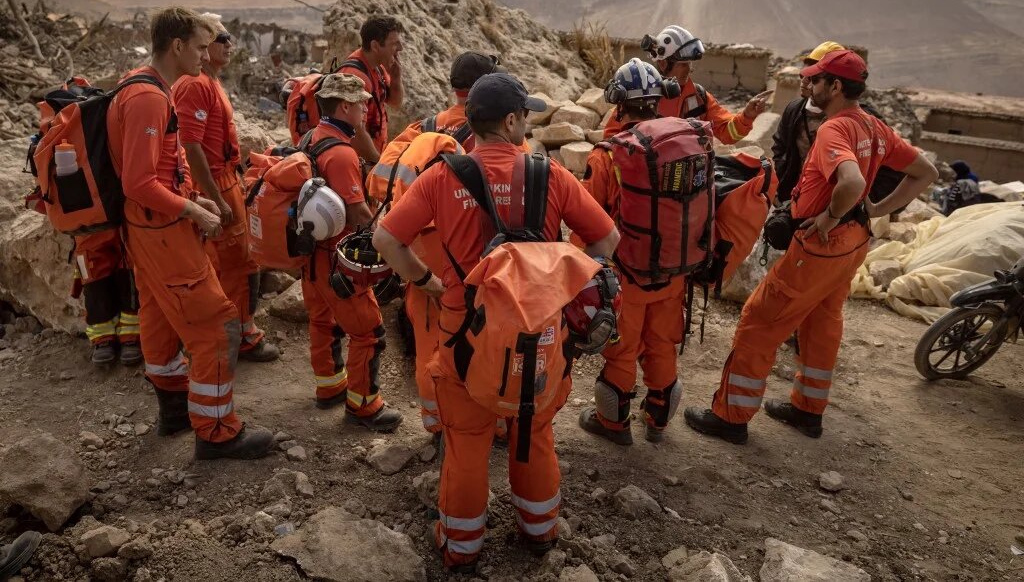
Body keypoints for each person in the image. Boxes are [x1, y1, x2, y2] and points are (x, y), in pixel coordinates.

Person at [373, 73, 619, 573]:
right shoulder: (552, 176)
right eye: (524, 116)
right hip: (541, 337)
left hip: (466, 338)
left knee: (465, 442)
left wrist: (424, 281)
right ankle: (540, 530)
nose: (526, 123)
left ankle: (461, 548)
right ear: (510, 121)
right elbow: (606, 242)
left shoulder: (442, 178)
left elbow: (385, 239)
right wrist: (558, 274)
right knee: (533, 429)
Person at [683, 50, 938, 443]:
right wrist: (876, 209)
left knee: (759, 321)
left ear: (835, 86)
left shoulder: (833, 130)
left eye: (817, 80)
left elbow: (850, 182)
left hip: (821, 245)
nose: (809, 85)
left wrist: (832, 215)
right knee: (822, 320)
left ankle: (730, 417)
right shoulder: (873, 125)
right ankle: (808, 410)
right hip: (854, 243)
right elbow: (925, 171)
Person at [108, 7, 274, 460]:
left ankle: (175, 411)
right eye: (201, 46)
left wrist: (190, 198)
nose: (207, 54)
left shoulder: (139, 84)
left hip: (147, 227)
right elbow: (139, 183)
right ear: (177, 46)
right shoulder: (149, 98)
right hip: (162, 229)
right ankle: (217, 430)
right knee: (218, 326)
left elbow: (154, 173)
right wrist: (194, 211)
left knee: (160, 316)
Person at [368, 51, 503, 436]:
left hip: (421, 258)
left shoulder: (421, 130)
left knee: (430, 345)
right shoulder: (500, 139)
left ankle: (436, 423)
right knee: (488, 344)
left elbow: (379, 182)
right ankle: (490, 424)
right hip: (478, 262)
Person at [575, 59, 695, 445]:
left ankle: (613, 425)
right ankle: (658, 419)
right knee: (661, 344)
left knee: (623, 351)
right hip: (674, 271)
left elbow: (586, 223)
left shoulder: (608, 155)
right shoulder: (682, 141)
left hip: (627, 273)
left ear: (618, 103)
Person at [173, 13, 279, 363]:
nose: (228, 44)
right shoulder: (196, 85)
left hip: (226, 179)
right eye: (221, 39)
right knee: (232, 262)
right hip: (216, 183)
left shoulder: (210, 82)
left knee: (243, 261)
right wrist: (216, 198)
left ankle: (241, 332)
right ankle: (235, 338)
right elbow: (191, 146)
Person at [301, 73, 401, 431]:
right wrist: (391, 245)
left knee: (322, 319)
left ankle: (330, 387)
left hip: (312, 257)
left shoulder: (312, 138)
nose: (364, 108)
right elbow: (359, 214)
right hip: (337, 261)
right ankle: (364, 406)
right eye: (360, 103)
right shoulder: (342, 154)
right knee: (369, 331)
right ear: (344, 107)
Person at [605, 24, 772, 138]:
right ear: (663, 63)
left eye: (690, 64)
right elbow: (612, 141)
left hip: (693, 178)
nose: (689, 69)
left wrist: (747, 116)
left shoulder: (698, 96)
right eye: (683, 64)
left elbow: (728, 132)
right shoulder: (638, 97)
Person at [772, 41, 846, 203]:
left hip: (832, 205)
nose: (804, 81)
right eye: (802, 75)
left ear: (834, 83)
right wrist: (781, 181)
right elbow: (780, 147)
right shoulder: (793, 110)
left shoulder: (852, 118)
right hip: (794, 196)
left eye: (812, 77)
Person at [339, 15, 405, 164]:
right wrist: (379, 164)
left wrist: (396, 78)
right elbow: (355, 132)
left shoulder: (378, 68)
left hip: (371, 158)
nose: (400, 48)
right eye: (394, 44)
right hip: (359, 161)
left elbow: (394, 102)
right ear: (375, 46)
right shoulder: (354, 76)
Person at [72, 228, 141, 367]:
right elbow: (41, 206)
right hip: (84, 226)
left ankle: (130, 334)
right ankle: (103, 336)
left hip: (124, 222)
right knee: (94, 282)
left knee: (129, 271)